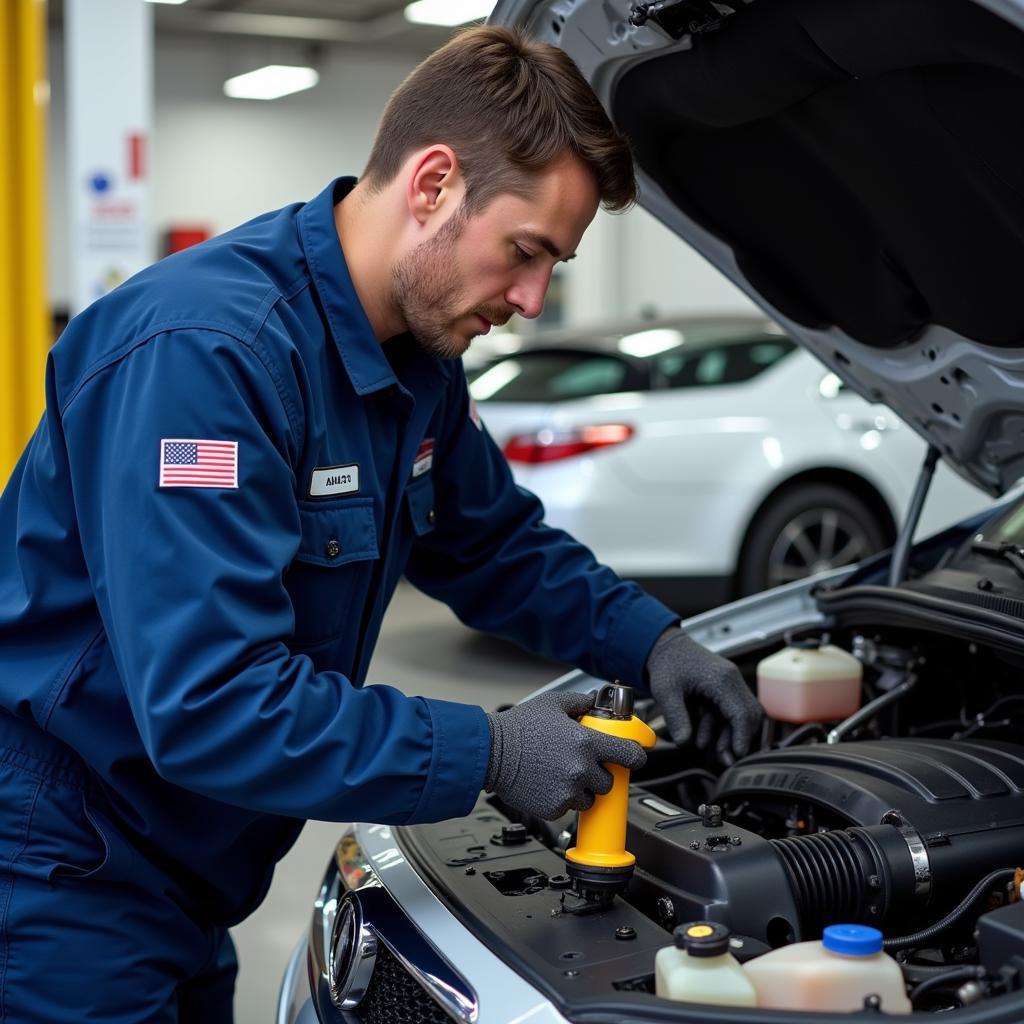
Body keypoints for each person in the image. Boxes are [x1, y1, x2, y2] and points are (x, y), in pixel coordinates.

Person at [0, 25, 762, 1022]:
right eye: (524, 253)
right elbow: (214, 704)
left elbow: (493, 544)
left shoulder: (415, 368)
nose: (532, 299)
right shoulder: (205, 358)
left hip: (181, 877)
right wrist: (488, 751)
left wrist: (651, 638)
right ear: (435, 182)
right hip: (58, 878)